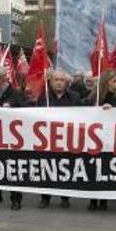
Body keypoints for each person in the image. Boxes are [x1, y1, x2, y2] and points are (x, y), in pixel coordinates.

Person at [38, 70, 83, 210]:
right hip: (47, 141)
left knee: (65, 169)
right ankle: (45, 198)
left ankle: (65, 197)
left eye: (61, 80)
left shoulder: (75, 97)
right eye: (55, 79)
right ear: (50, 82)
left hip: (66, 141)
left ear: (67, 83)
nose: (58, 82)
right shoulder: (43, 97)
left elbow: (84, 114)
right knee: (47, 169)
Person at [0, 65, 26, 210]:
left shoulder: (15, 93)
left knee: (12, 168)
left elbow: (26, 112)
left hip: (12, 139)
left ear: (1, 78)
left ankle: (16, 199)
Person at [89, 70, 116, 211]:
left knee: (106, 168)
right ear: (105, 82)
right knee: (94, 168)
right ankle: (93, 200)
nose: (115, 84)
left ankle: (104, 200)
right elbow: (83, 108)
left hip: (110, 138)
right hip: (94, 138)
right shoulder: (94, 96)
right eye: (113, 81)